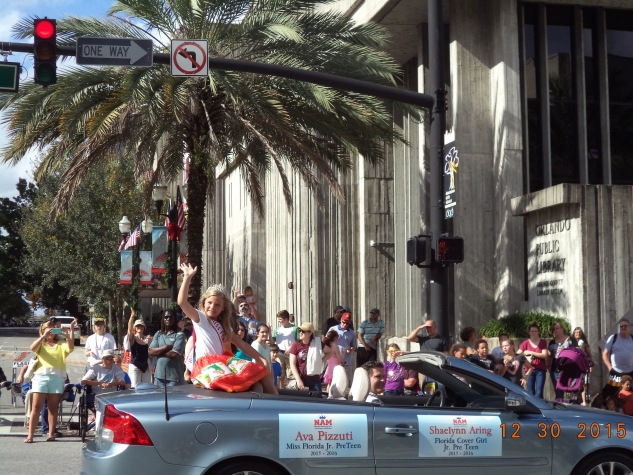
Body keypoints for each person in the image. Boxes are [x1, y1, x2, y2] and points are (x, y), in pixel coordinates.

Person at [178, 263, 276, 394]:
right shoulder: (200, 319)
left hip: (222, 362)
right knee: (233, 382)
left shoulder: (225, 327)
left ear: (223, 308)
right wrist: (187, 278)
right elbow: (182, 302)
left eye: (217, 305)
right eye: (209, 303)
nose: (212, 307)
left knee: (261, 373)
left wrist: (261, 358)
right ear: (203, 303)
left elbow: (242, 344)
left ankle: (278, 404)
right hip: (205, 366)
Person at [24, 318, 76, 443]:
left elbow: (71, 347)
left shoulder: (60, 343)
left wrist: (67, 335)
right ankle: (30, 435)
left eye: (53, 329)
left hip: (56, 377)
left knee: (53, 408)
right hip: (41, 377)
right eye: (48, 329)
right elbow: (32, 348)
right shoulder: (41, 344)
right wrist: (43, 337)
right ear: (43, 330)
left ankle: (51, 434)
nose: (51, 331)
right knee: (36, 406)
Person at [81, 349, 127, 420]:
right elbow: (83, 381)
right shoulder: (96, 368)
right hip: (96, 395)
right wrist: (99, 383)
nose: (109, 361)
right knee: (84, 400)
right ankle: (97, 417)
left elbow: (122, 382)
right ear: (102, 359)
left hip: (111, 395)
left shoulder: (116, 368)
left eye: (111, 359)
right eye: (107, 359)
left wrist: (111, 384)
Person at [148, 310, 186, 387]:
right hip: (158, 377)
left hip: (174, 378)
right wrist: (166, 347)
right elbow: (150, 352)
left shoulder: (180, 334)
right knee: (159, 399)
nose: (168, 319)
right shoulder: (158, 334)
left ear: (174, 318)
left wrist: (158, 352)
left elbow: (175, 354)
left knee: (173, 399)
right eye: (166, 317)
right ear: (163, 319)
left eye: (170, 317)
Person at [601, 318, 633, 399]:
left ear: (629, 327)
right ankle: (604, 407)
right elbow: (605, 354)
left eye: (625, 326)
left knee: (630, 392)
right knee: (609, 392)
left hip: (630, 371)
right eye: (621, 326)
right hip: (616, 371)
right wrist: (610, 368)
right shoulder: (613, 338)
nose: (623, 328)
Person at [288, 322, 323, 393]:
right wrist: (298, 380)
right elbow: (292, 364)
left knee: (317, 401)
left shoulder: (317, 343)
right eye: (299, 331)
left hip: (315, 379)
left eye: (303, 331)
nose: (300, 333)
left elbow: (330, 352)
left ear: (310, 333)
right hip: (301, 378)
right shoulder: (295, 345)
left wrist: (320, 361)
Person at [517, 324, 549, 398]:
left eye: (535, 331)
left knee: (539, 392)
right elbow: (517, 354)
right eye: (532, 331)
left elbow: (544, 355)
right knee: (530, 393)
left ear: (538, 332)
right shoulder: (525, 343)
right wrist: (524, 356)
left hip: (540, 370)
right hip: (528, 370)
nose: (534, 332)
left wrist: (531, 352)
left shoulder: (543, 342)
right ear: (529, 332)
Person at [548, 322, 577, 400]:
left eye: (557, 328)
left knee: (570, 393)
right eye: (553, 329)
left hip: (569, 370)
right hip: (555, 370)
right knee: (558, 393)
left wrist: (565, 351)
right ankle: (560, 409)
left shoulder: (571, 340)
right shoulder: (552, 343)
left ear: (562, 329)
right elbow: (549, 356)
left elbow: (576, 352)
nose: (555, 330)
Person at [126, 308, 151, 387]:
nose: (139, 327)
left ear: (144, 328)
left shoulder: (147, 340)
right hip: (135, 366)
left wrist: (150, 342)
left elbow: (151, 354)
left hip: (146, 367)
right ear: (135, 328)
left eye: (141, 326)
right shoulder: (133, 339)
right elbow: (129, 330)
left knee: (147, 388)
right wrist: (132, 316)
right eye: (137, 326)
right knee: (135, 388)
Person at [329, 312, 356, 382]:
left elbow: (354, 345)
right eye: (343, 322)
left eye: (347, 323)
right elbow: (326, 341)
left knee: (344, 381)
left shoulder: (351, 332)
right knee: (332, 381)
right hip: (334, 360)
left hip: (346, 360)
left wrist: (352, 349)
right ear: (340, 320)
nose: (345, 325)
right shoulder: (333, 329)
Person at [573, 326, 593, 405]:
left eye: (580, 332)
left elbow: (589, 355)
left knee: (585, 384)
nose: (578, 334)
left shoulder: (585, 344)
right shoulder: (571, 343)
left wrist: (590, 365)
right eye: (576, 332)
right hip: (574, 366)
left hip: (584, 366)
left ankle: (584, 401)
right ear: (574, 334)